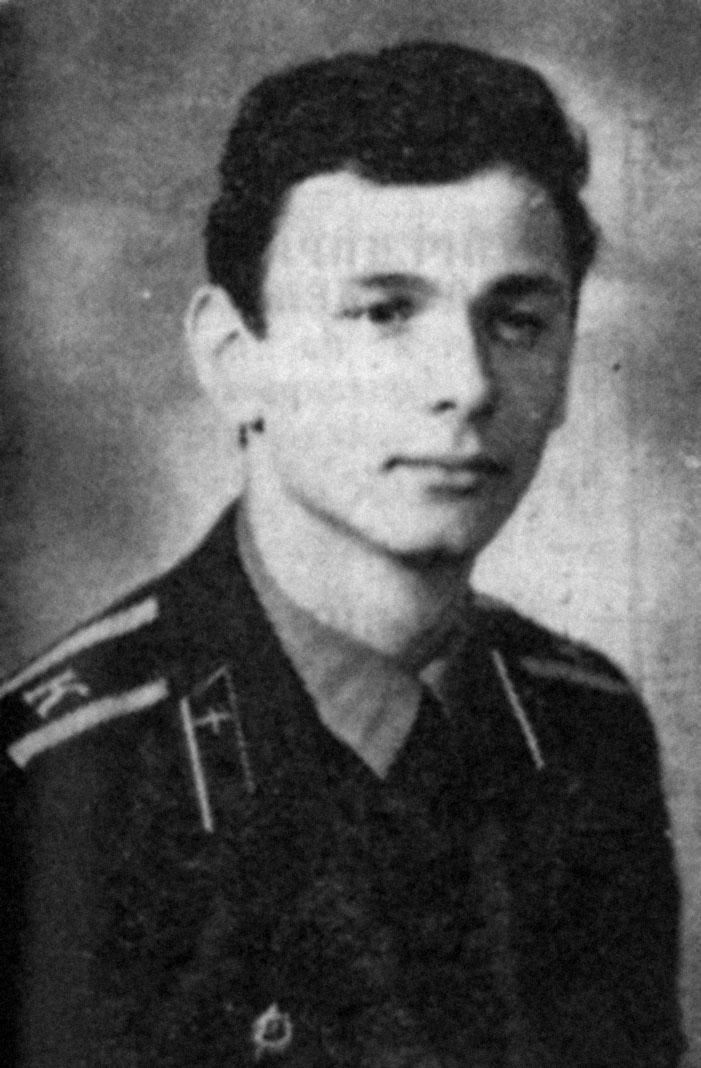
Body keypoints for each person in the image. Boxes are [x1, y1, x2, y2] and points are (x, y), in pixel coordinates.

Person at [0, 40, 684, 1067]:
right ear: (234, 360)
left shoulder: (586, 730)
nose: (465, 384)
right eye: (383, 313)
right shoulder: (57, 783)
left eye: (517, 320)